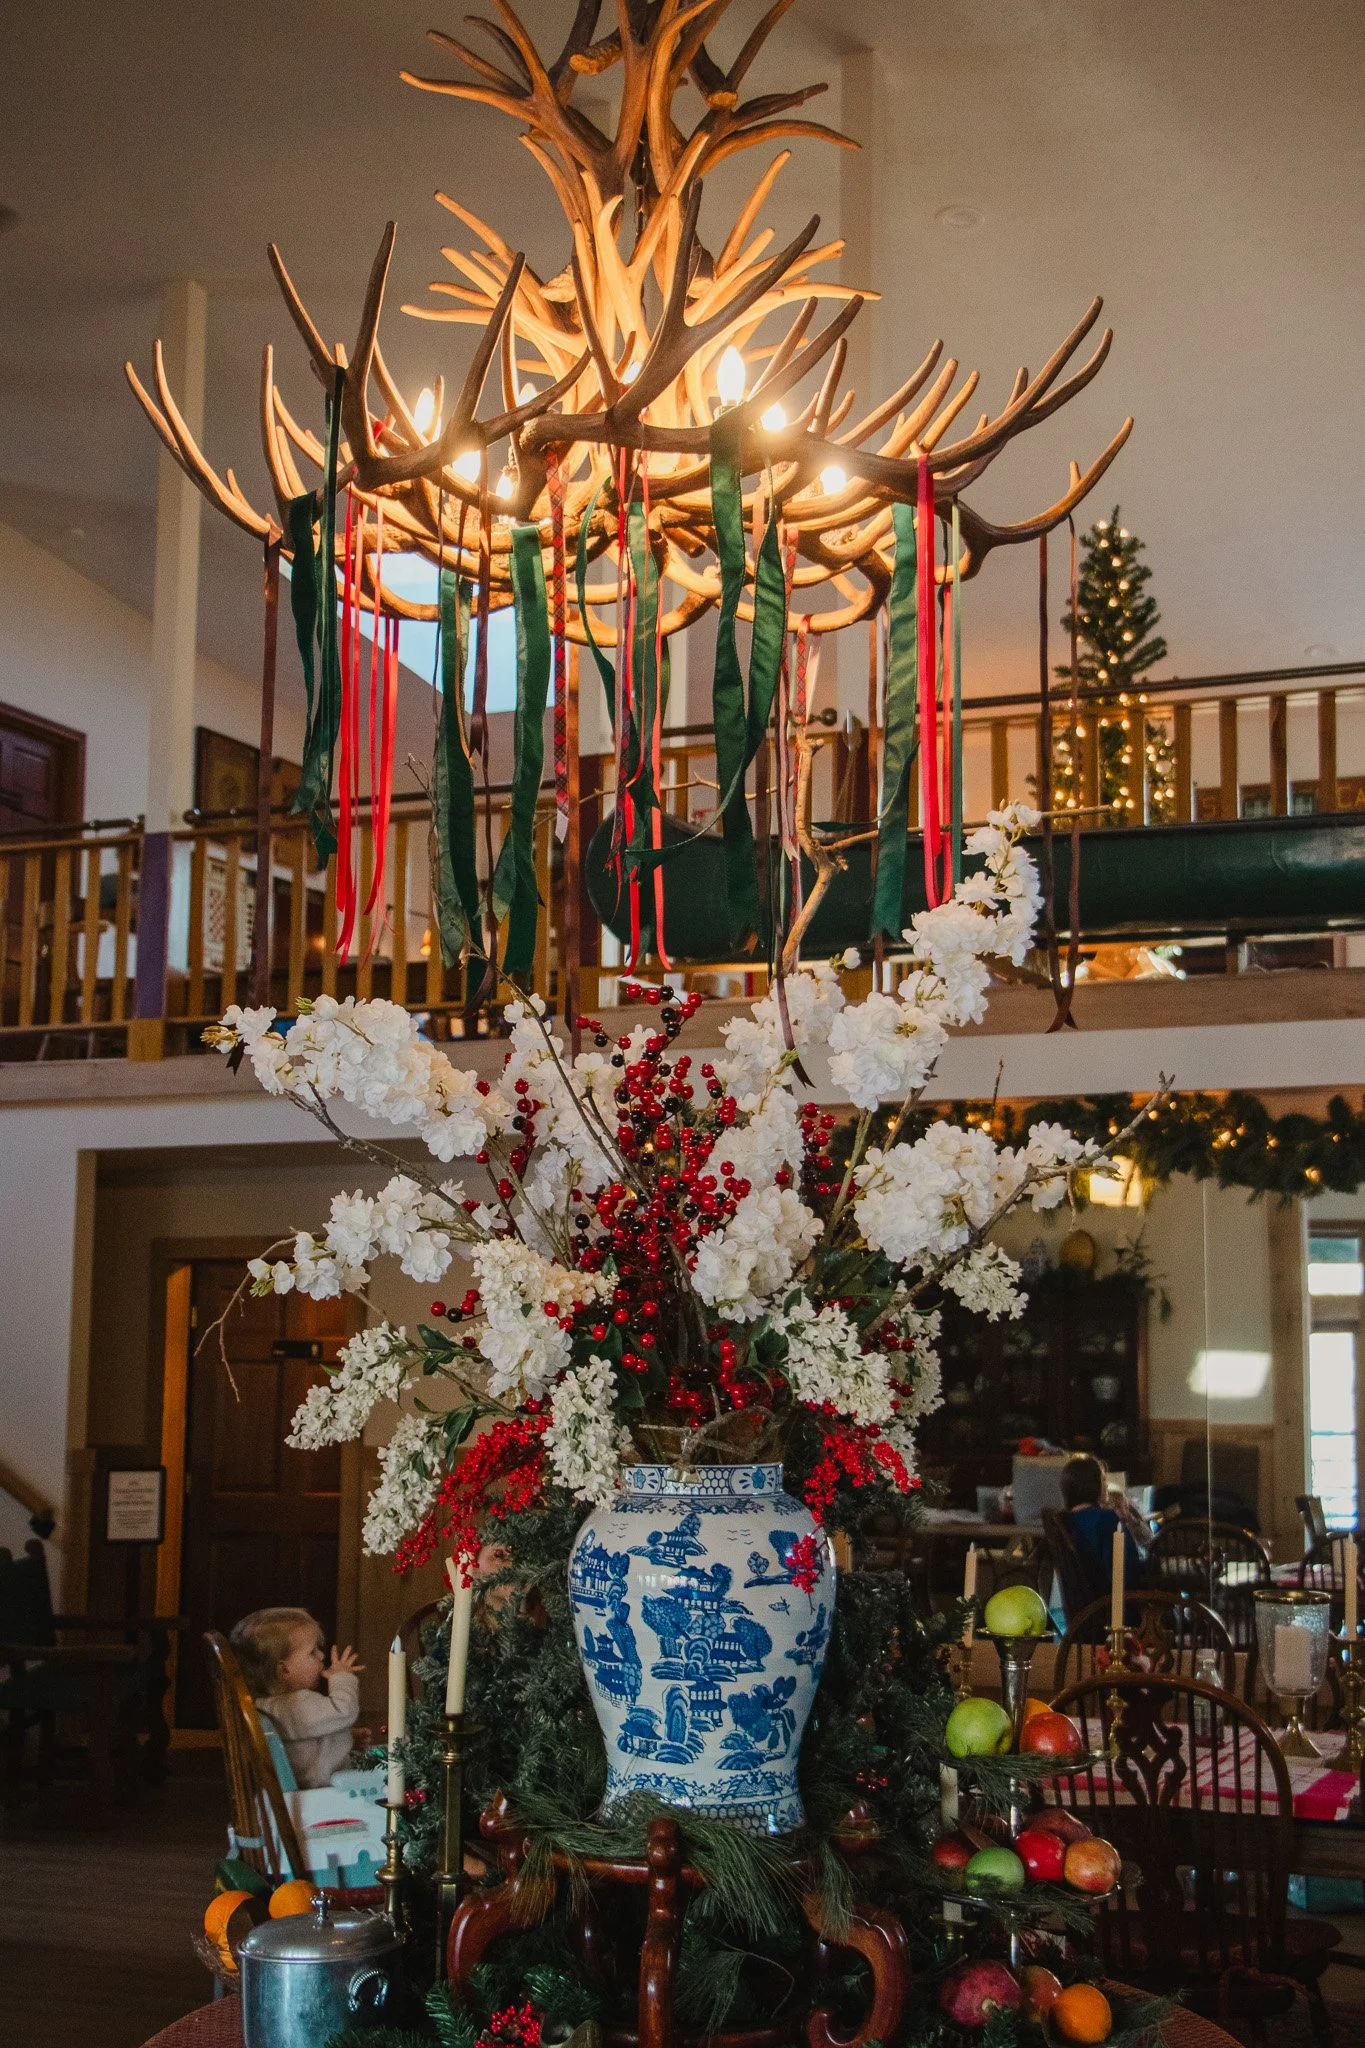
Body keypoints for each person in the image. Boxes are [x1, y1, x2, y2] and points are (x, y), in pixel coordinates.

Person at [230, 1607, 365, 1789]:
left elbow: (307, 1740)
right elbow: (344, 1710)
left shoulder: (265, 1706)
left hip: (304, 1790)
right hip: (322, 1791)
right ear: (284, 1670)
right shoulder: (299, 1704)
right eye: (312, 1652)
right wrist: (342, 1677)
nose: (321, 1655)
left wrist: (342, 1736)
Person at [1060, 1455, 1147, 1602]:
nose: (1106, 1486)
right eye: (1103, 1480)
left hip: (1079, 1608)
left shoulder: (1062, 1522)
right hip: (1112, 1608)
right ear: (1092, 1485)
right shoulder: (1106, 1519)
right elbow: (1128, 1572)